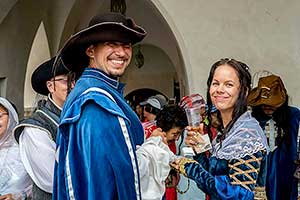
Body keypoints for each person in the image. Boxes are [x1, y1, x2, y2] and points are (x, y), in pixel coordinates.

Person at [53, 12, 174, 200]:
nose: (121, 53)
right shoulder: (96, 102)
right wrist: (155, 150)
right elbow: (114, 175)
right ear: (91, 51)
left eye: (126, 46)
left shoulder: (97, 91)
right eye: (111, 44)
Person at [171, 58, 269, 199]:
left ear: (244, 91)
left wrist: (190, 168)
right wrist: (199, 149)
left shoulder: (246, 134)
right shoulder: (228, 131)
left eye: (229, 84)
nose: (219, 90)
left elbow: (238, 196)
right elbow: (212, 176)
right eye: (215, 83)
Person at [13, 57, 74, 199]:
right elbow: (53, 179)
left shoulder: (82, 116)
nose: (73, 85)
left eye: (76, 79)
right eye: (66, 80)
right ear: (51, 86)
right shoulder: (35, 129)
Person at [248, 74, 300, 200]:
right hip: (259, 175)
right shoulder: (251, 120)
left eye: (272, 103)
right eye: (263, 103)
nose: (267, 107)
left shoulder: (294, 116)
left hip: (287, 172)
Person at [0, 97, 32, 200]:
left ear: (11, 118)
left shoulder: (24, 147)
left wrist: (19, 196)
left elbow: (43, 182)